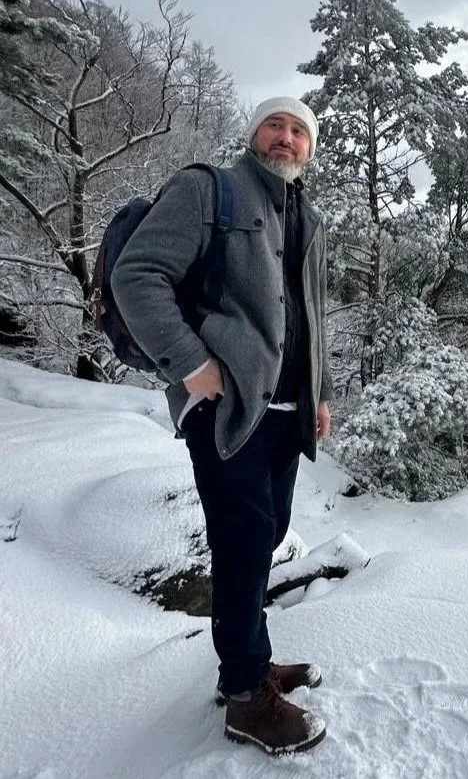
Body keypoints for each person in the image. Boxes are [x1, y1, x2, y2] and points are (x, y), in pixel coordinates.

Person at [111, 97, 333, 755]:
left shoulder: (308, 217)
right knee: (241, 551)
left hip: (287, 415)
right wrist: (190, 365)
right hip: (228, 411)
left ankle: (250, 662)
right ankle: (243, 701)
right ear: (254, 133)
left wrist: (320, 392)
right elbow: (137, 275)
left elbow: (310, 318)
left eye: (299, 131)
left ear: (310, 148)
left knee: (258, 545)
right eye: (276, 124)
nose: (286, 137)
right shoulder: (211, 189)